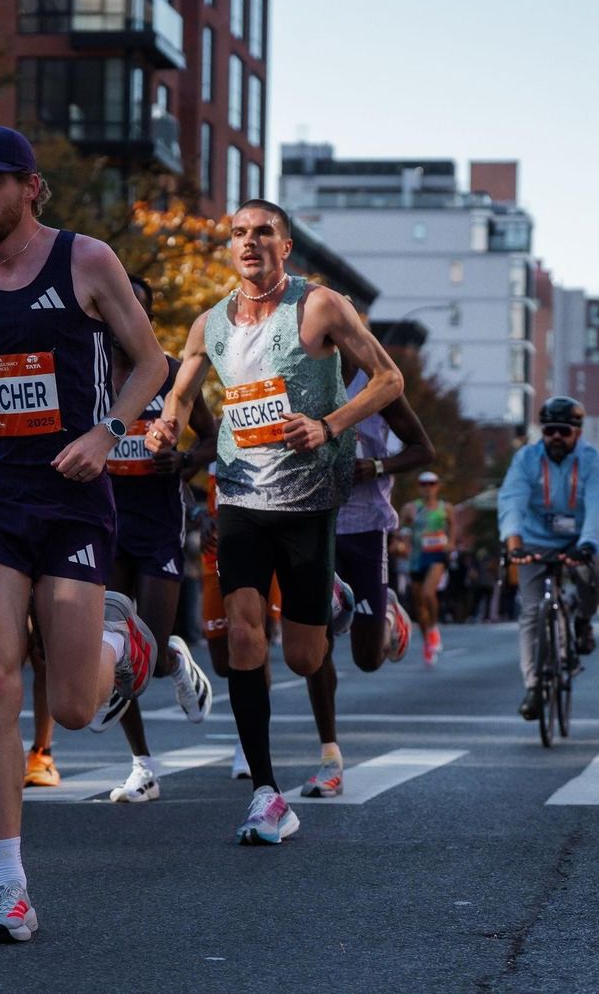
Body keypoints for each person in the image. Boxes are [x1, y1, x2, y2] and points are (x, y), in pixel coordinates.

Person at [0, 125, 165, 942]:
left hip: (74, 498)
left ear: (30, 187)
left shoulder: (85, 262)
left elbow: (151, 362)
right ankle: (9, 887)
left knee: (80, 708)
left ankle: (128, 641)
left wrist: (109, 434)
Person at [151, 197, 403, 845]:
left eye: (263, 233)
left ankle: (339, 600)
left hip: (309, 502)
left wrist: (327, 425)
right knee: (241, 639)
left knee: (303, 653)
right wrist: (165, 429)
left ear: (284, 247)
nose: (250, 243)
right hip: (238, 497)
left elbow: (388, 378)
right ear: (229, 247)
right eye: (238, 234)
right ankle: (267, 792)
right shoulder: (210, 323)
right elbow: (181, 391)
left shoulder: (319, 306)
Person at [98, 275, 217, 804]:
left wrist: (186, 460)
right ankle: (141, 765)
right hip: (102, 522)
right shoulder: (87, 371)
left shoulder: (169, 372)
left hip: (157, 523)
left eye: (139, 310)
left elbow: (216, 436)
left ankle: (176, 660)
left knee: (146, 650)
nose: (128, 320)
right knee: (118, 651)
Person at [299, 345, 432, 798]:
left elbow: (422, 449)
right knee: (315, 646)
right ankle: (329, 756)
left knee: (367, 659)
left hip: (365, 528)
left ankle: (390, 615)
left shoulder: (380, 385)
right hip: (313, 523)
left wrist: (377, 466)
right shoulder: (299, 379)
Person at [498, 396, 599, 721]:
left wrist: (589, 545)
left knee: (594, 576)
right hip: (536, 541)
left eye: (563, 431)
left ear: (577, 432)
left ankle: (582, 622)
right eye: (549, 430)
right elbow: (512, 500)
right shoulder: (526, 458)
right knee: (531, 611)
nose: (555, 437)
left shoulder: (593, 462)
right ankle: (534, 688)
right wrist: (513, 543)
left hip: (580, 540)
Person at [402, 471, 455, 663]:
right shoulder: (410, 508)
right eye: (424, 484)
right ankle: (427, 642)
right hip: (417, 558)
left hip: (437, 555)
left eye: (432, 483)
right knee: (419, 606)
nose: (428, 487)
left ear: (438, 486)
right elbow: (402, 528)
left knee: (427, 593)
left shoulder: (445, 508)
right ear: (419, 486)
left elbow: (452, 526)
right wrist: (404, 538)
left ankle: (433, 627)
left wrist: (451, 544)